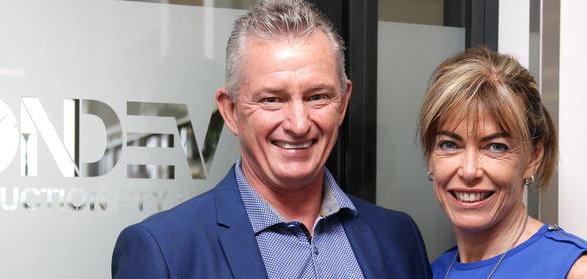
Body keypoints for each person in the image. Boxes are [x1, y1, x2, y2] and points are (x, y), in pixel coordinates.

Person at [112, 0, 431, 278]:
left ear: (343, 103)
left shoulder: (398, 239)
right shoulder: (165, 251)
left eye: (317, 96)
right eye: (272, 99)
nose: (298, 123)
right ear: (230, 111)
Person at [419, 47, 587, 278]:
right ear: (430, 156)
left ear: (533, 158)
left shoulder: (575, 271)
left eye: (496, 147)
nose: (469, 171)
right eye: (450, 145)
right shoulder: (430, 272)